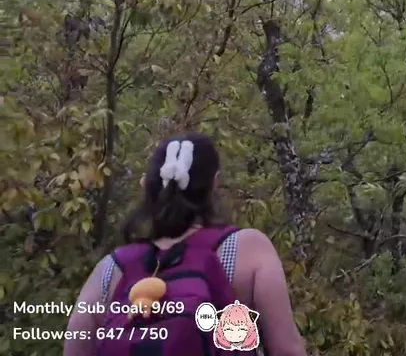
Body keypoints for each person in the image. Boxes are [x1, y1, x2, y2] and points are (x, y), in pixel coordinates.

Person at [63, 133, 308, 356]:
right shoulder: (248, 249)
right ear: (214, 183)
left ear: (146, 185)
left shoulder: (111, 270)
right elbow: (287, 350)